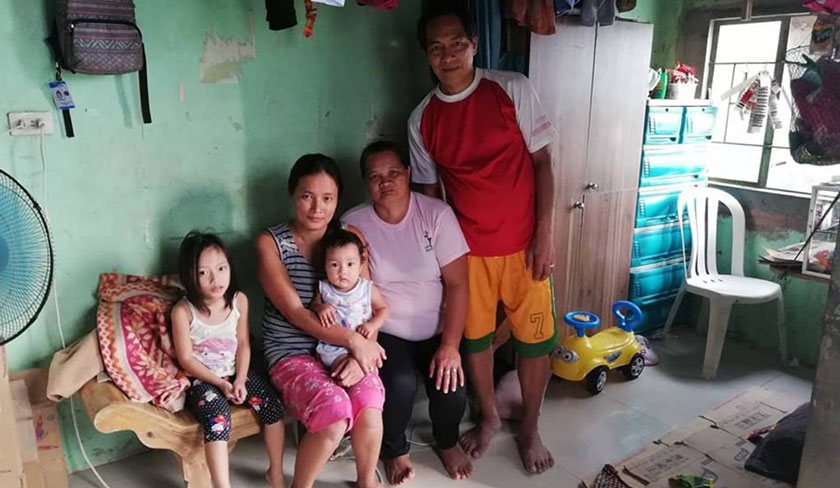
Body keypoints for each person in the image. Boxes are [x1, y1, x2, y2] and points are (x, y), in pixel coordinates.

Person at [408, 6, 559, 475]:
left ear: (474, 43)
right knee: (473, 341)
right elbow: (430, 198)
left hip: (523, 245)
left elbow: (543, 165)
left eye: (456, 43)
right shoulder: (422, 119)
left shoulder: (511, 88)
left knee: (535, 342)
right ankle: (490, 416)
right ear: (427, 57)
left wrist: (545, 234)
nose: (448, 55)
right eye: (436, 48)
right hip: (466, 255)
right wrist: (437, 262)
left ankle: (530, 428)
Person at [344, 141, 472, 484]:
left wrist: (450, 346)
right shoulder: (354, 224)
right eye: (375, 176)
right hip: (386, 329)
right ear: (365, 183)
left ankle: (446, 442)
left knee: (452, 387)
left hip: (436, 328)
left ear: (409, 174)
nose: (385, 182)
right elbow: (351, 289)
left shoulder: (435, 215)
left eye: (393, 173)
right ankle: (394, 450)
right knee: (397, 385)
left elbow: (459, 284)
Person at [257, 154, 386, 488]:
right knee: (333, 415)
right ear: (291, 194)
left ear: (338, 199)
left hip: (348, 348)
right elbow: (297, 313)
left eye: (328, 198)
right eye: (307, 196)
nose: (318, 208)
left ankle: (366, 481)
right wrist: (353, 342)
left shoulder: (349, 238)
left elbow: (366, 303)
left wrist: (361, 352)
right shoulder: (271, 243)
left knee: (370, 406)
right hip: (292, 351)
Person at [171, 231, 286, 488]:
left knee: (272, 408)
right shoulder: (183, 311)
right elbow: (187, 360)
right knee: (218, 418)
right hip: (203, 379)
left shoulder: (238, 301)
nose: (216, 278)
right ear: (190, 275)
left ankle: (275, 473)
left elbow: (244, 344)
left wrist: (241, 380)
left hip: (236, 373)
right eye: (204, 272)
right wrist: (221, 385)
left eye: (222, 268)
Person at [312, 229, 389, 368]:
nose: (343, 271)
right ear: (325, 266)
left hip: (364, 345)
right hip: (333, 348)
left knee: (365, 375)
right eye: (335, 265)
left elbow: (383, 309)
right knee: (341, 374)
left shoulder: (367, 289)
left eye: (350, 264)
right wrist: (320, 308)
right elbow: (313, 306)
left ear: (360, 266)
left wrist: (373, 324)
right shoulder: (324, 288)